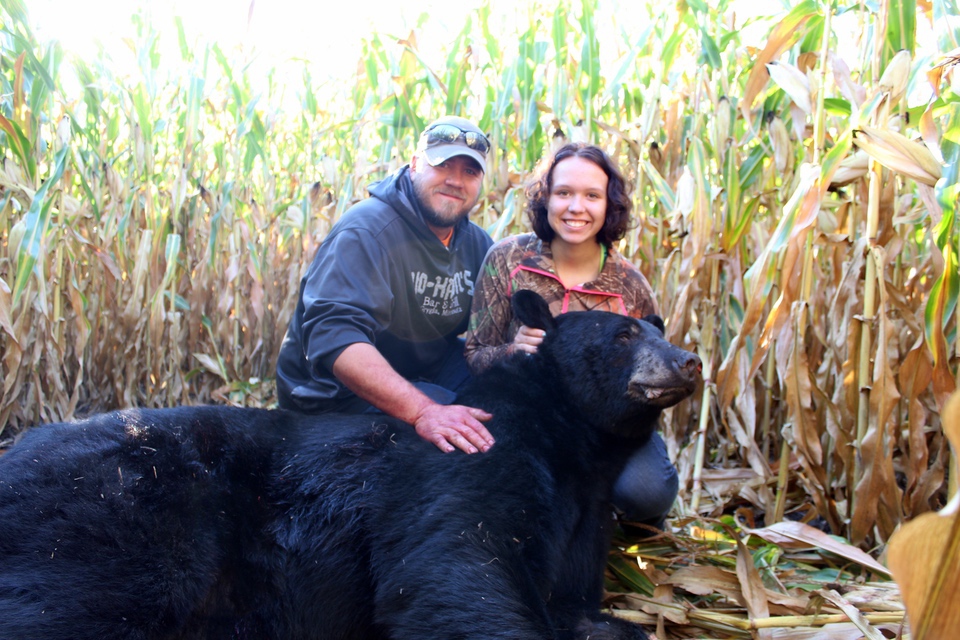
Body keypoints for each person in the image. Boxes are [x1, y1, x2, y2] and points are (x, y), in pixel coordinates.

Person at [464, 142, 678, 530]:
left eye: (592, 196)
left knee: (646, 491)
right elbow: (476, 352)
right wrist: (512, 350)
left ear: (609, 205)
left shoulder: (629, 285)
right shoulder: (507, 261)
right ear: (546, 200)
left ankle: (623, 526)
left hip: (604, 431)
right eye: (564, 193)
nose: (576, 208)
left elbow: (653, 376)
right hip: (529, 418)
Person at [277, 116, 495, 455]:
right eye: (443, 165)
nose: (455, 180)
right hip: (336, 397)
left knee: (505, 399)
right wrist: (424, 410)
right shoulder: (367, 231)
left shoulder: (476, 244)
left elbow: (496, 327)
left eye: (470, 171)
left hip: (423, 369)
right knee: (459, 431)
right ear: (414, 164)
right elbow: (335, 338)